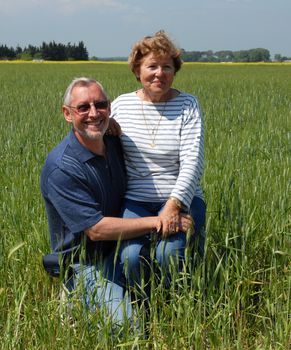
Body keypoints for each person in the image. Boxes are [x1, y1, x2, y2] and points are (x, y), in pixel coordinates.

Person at [40, 77, 192, 324]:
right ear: (67, 114)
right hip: (87, 262)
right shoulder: (62, 168)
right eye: (83, 108)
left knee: (160, 302)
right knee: (130, 327)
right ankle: (73, 295)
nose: (93, 113)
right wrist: (159, 221)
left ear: (109, 108)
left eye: (100, 105)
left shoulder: (114, 142)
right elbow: (97, 230)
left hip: (123, 248)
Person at [110, 31, 206, 287]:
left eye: (167, 67)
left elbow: (193, 161)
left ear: (175, 71)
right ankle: (142, 306)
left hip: (182, 199)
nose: (159, 73)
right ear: (137, 70)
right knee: (130, 257)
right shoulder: (121, 105)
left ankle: (176, 310)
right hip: (136, 200)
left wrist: (173, 207)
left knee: (169, 255)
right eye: (152, 66)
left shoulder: (188, 104)